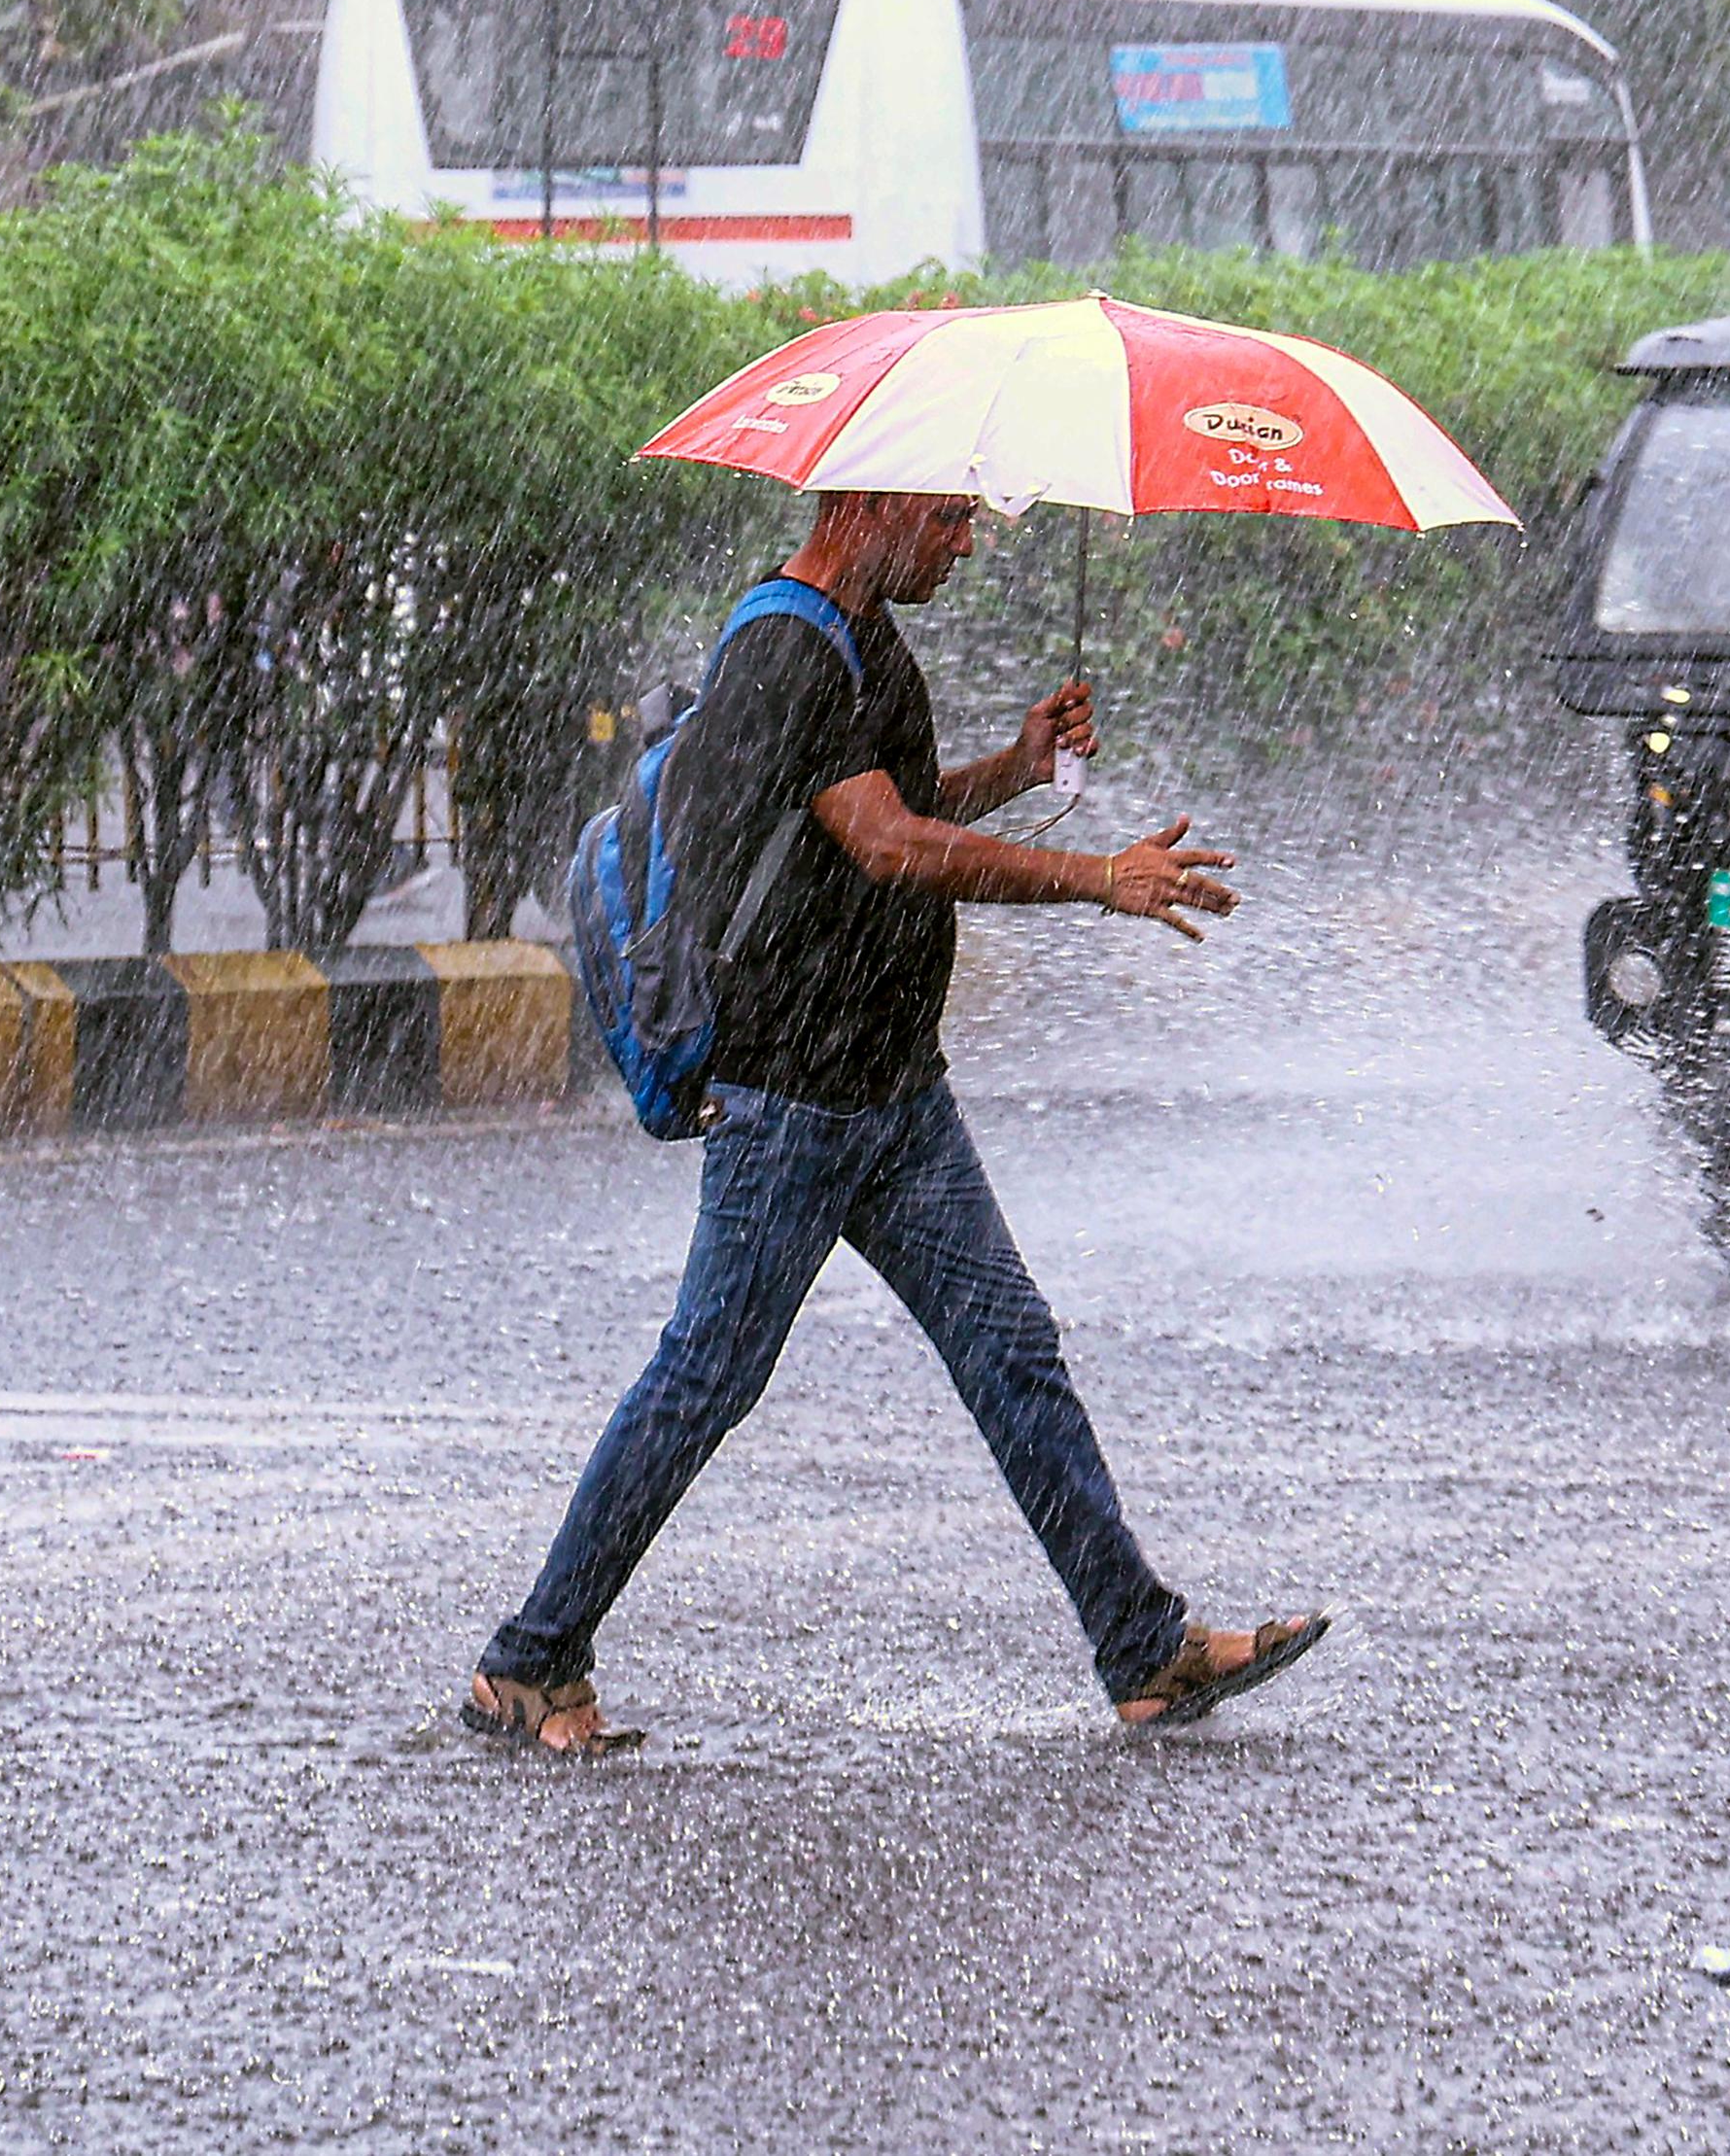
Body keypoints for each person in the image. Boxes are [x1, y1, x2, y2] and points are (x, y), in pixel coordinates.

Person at [467, 488, 1325, 1754]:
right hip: (793, 1100)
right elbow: (881, 844)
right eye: (946, 518)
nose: (966, 542)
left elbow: (897, 806)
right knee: (704, 1379)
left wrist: (1020, 770)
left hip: (893, 1092)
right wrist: (1096, 878)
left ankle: (1143, 1648)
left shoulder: (868, 635)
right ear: (865, 502)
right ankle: (531, 1662)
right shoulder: (779, 650)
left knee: (1012, 1354)